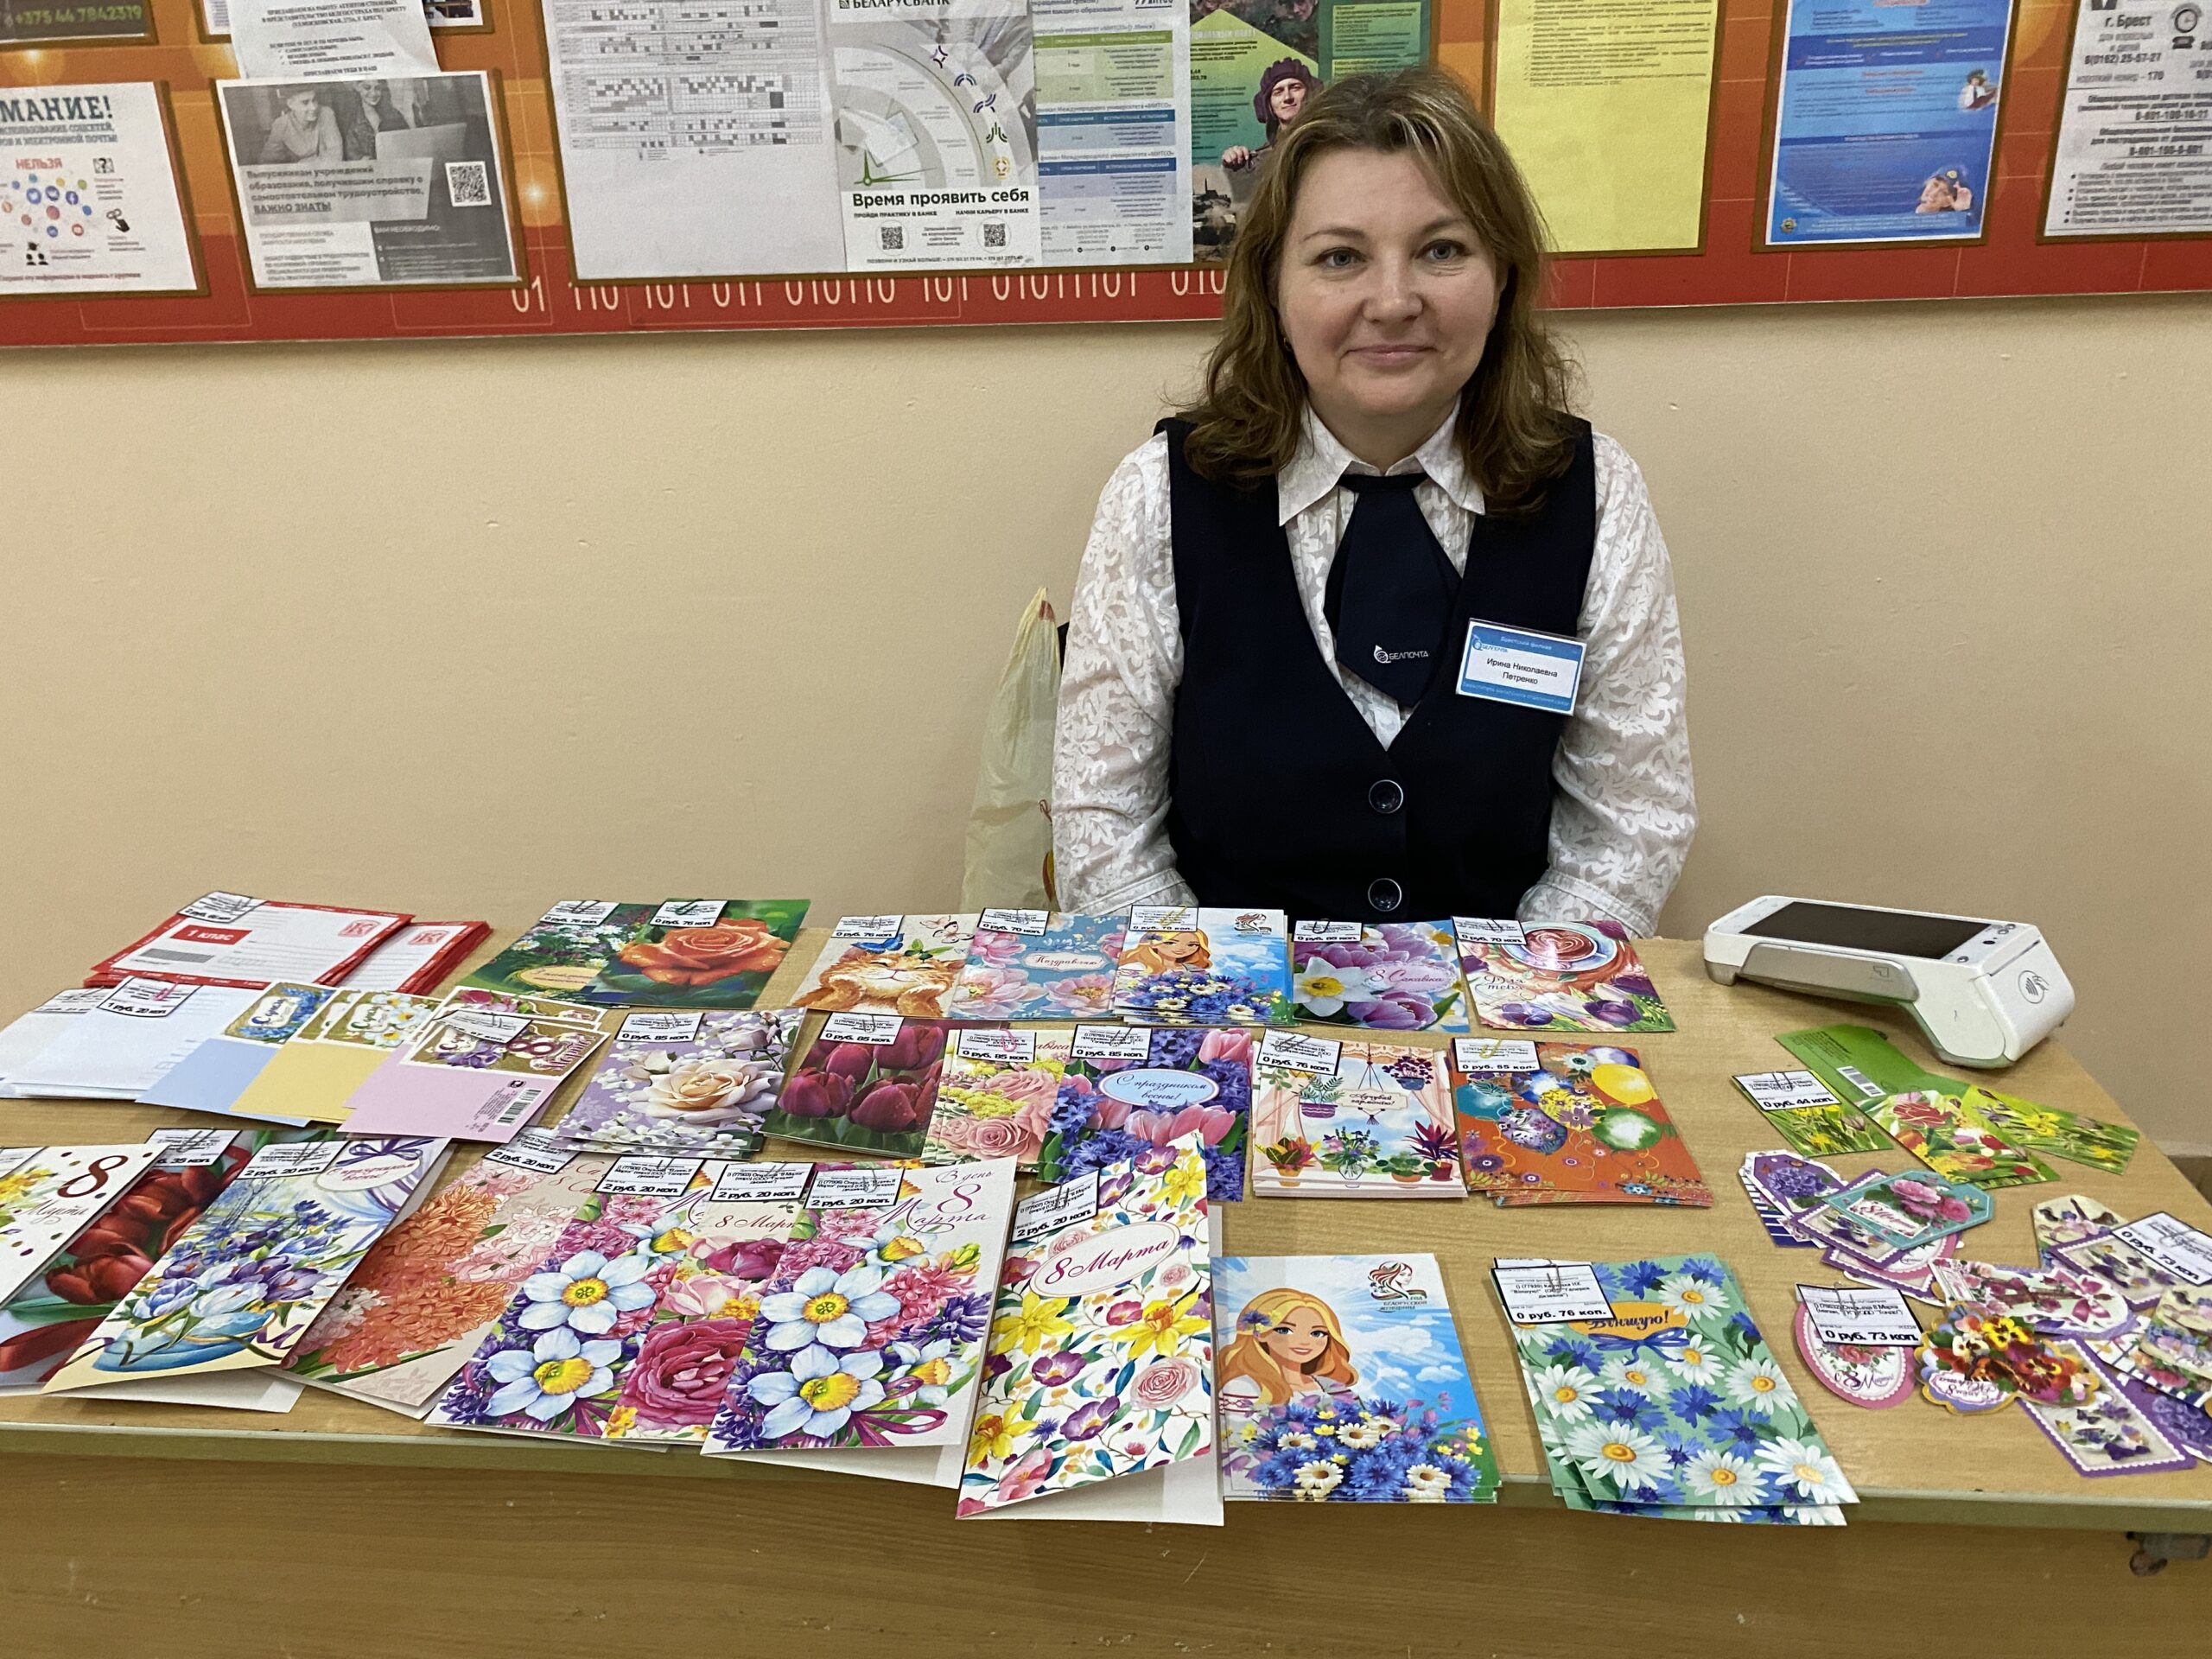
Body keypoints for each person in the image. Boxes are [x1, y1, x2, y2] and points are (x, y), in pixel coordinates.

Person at [1053, 67, 1695, 930]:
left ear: (1503, 275)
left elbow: (1629, 828)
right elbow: (1103, 829)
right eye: (1340, 258)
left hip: (1507, 1001)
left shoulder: (1596, 493)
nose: (1393, 302)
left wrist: (1509, 994)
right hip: (1228, 999)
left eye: (1442, 250)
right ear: (1272, 285)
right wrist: (1217, 993)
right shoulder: (1159, 496)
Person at [1217, 1290, 1361, 1410]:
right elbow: (1236, 1434)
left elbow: (1364, 1426)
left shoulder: (1330, 1386)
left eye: (1317, 1333)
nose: (1304, 1341)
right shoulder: (1245, 1386)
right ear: (1259, 1333)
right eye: (1285, 1330)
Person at [1223, 59, 1320, 175]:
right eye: (1278, 92)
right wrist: (1233, 161)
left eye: (1295, 87)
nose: (1287, 97)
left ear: (1310, 93)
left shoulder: (1327, 146)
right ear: (1269, 106)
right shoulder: (1262, 160)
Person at [258, 87, 343, 166]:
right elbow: (267, 161)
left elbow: (336, 154)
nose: (313, 107)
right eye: (305, 102)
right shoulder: (281, 124)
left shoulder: (326, 114)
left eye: (314, 100)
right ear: (291, 104)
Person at [341, 79, 408, 162]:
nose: (373, 93)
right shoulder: (351, 120)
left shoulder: (395, 115)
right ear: (357, 87)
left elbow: (406, 143)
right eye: (367, 88)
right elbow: (351, 154)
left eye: (377, 88)